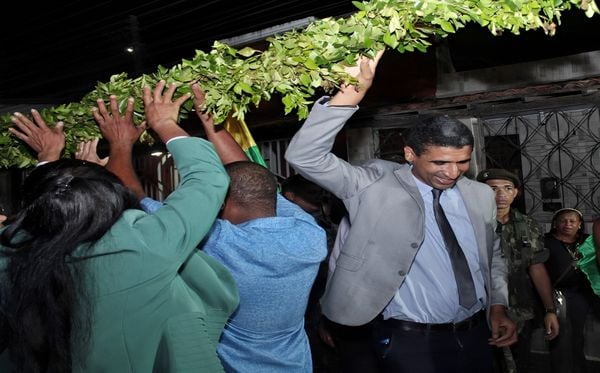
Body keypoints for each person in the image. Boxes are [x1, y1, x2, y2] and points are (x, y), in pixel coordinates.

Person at [284, 49, 517, 372]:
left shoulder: (479, 195)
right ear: (410, 154)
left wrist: (498, 304)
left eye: (462, 162)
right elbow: (305, 156)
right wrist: (349, 96)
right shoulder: (372, 185)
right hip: (409, 340)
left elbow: (491, 257)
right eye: (440, 162)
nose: (452, 172)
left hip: (476, 332)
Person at [0, 81, 239, 372]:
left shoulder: (12, 250)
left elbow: (44, 209)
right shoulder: (144, 243)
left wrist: (49, 163)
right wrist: (163, 123)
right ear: (116, 198)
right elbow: (208, 179)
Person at [476, 168, 559, 372]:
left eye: (507, 188)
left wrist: (550, 310)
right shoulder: (471, 223)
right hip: (480, 311)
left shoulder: (528, 225)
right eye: (492, 189)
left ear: (516, 193)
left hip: (520, 312)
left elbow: (536, 267)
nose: (500, 195)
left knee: (519, 363)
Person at [544, 208, 599, 373]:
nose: (568, 224)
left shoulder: (588, 241)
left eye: (572, 221)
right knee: (558, 335)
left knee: (577, 335)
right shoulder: (546, 242)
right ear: (555, 224)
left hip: (580, 295)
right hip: (556, 295)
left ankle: (578, 367)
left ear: (580, 224)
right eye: (563, 221)